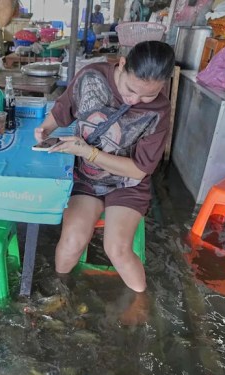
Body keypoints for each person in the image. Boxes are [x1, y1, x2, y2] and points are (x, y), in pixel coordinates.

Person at [34, 41, 175, 294]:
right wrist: (45, 128)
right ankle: (59, 294)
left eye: (148, 95)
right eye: (131, 89)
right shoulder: (92, 77)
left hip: (127, 184)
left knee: (117, 249)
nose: (135, 100)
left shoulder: (159, 111)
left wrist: (88, 152)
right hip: (86, 179)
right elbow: (64, 108)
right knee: (72, 241)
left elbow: (139, 170)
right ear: (122, 64)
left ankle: (141, 306)